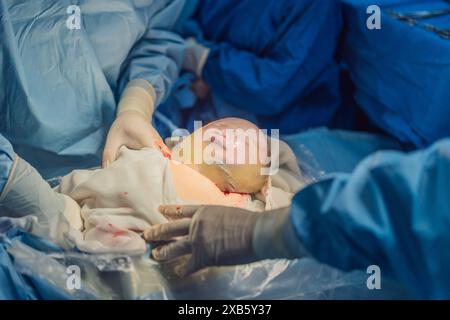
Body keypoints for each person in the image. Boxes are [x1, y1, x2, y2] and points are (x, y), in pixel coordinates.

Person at [1, 1, 185, 220]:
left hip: (107, 145)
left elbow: (157, 36)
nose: (223, 138)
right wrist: (12, 180)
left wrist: (136, 104)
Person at [155, 0, 348, 137]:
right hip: (197, 100)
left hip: (280, 127)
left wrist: (206, 62)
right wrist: (200, 66)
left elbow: (274, 89)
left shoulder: (316, 7)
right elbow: (184, 19)